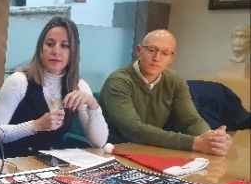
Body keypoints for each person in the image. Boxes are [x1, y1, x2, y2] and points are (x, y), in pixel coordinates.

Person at [99, 29, 232, 155]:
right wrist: (195, 143)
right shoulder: (119, 80)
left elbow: (190, 121)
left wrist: (211, 139)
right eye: (151, 50)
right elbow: (133, 128)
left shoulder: (174, 80)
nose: (157, 58)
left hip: (153, 148)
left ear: (171, 58)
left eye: (165, 53)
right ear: (139, 50)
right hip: (115, 149)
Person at [0, 16, 108, 158]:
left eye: (65, 46)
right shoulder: (18, 81)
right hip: (15, 165)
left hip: (54, 167)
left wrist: (92, 104)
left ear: (73, 53)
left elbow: (100, 142)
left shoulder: (78, 85)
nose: (56, 51)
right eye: (50, 44)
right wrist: (35, 126)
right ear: (41, 49)